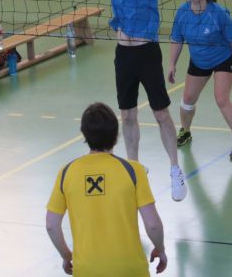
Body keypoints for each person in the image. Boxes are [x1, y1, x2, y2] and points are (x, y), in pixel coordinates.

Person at [98, 0, 186, 201]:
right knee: (128, 115)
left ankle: (175, 169)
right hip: (123, 54)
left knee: (161, 113)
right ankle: (134, 169)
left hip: (147, 52)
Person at [45, 102, 166, 276]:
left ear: (84, 133)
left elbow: (51, 225)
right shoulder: (134, 170)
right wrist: (160, 248)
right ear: (116, 134)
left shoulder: (67, 172)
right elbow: (153, 225)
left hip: (87, 270)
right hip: (130, 270)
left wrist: (66, 256)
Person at [167, 0, 232, 161]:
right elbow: (177, 39)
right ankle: (185, 131)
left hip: (223, 58)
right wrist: (172, 64)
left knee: (221, 99)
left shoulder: (218, 13)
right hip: (199, 59)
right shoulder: (182, 12)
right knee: (187, 100)